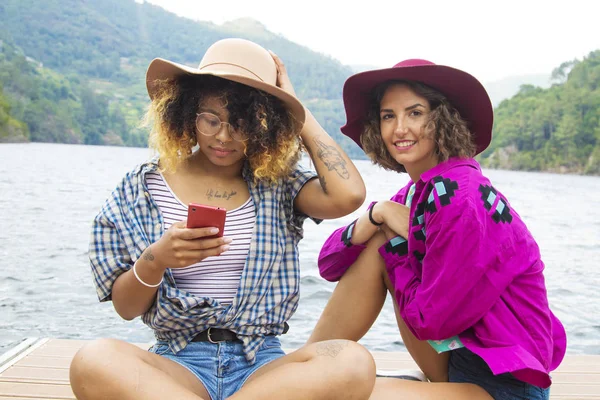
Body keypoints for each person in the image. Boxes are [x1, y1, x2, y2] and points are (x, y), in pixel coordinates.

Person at [69, 38, 376, 400]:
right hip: (178, 363)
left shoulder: (279, 183)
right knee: (94, 358)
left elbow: (349, 195)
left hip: (263, 368)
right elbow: (126, 308)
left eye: (242, 123)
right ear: (186, 113)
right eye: (210, 120)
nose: (224, 137)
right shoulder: (142, 188)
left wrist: (297, 111)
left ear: (266, 126)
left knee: (353, 361)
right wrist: (157, 259)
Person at [307, 59, 567, 400]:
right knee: (377, 239)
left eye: (415, 113)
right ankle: (305, 366)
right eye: (388, 116)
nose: (400, 128)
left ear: (442, 119)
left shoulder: (462, 196)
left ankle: (305, 376)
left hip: (503, 387)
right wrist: (376, 213)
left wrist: (397, 249)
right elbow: (329, 264)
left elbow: (434, 322)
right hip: (456, 364)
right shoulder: (420, 193)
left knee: (336, 392)